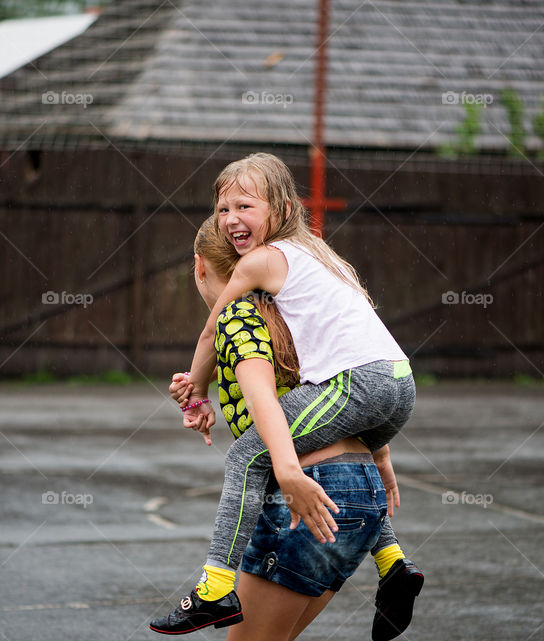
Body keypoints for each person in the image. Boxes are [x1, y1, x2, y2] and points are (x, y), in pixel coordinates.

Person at [151, 172, 423, 638]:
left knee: (245, 456)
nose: (232, 218)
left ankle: (215, 586)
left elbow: (216, 342)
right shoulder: (315, 266)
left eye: (244, 207)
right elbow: (346, 386)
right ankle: (393, 560)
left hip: (354, 404)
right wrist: (380, 454)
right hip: (395, 388)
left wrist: (196, 385)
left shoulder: (252, 281)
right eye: (223, 210)